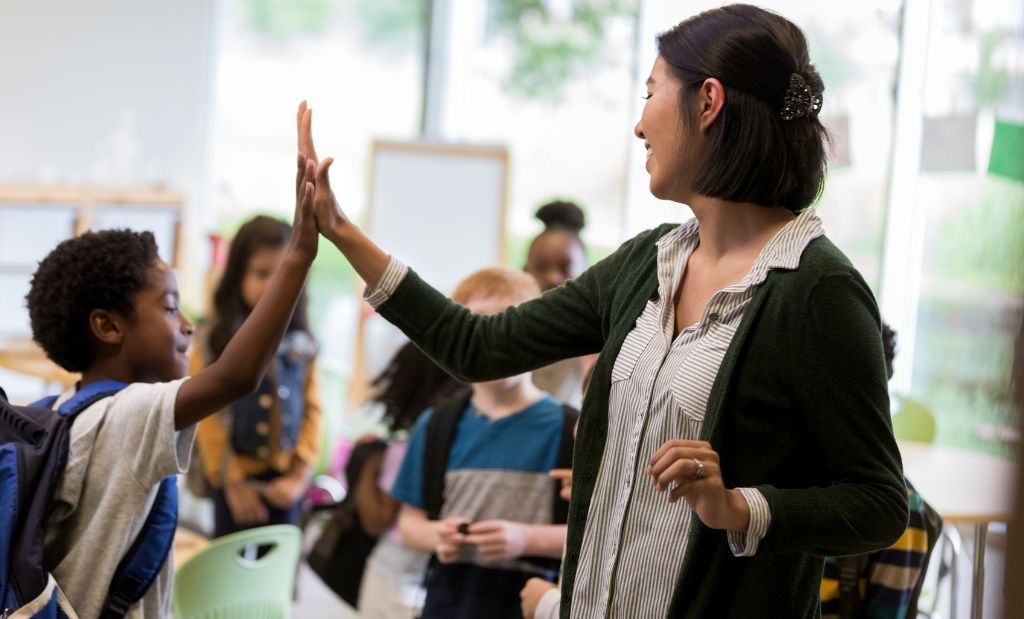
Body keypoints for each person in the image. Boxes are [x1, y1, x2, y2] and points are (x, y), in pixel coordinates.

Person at [297, 3, 908, 614]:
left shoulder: (817, 290)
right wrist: (343, 230)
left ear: (708, 101)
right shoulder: (648, 263)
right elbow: (477, 346)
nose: (639, 125)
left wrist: (738, 506)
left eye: (650, 93)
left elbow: (879, 503)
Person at [28, 151, 319, 617]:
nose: (186, 325)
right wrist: (300, 254)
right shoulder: (127, 414)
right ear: (108, 327)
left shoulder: (72, 409)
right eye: (169, 308)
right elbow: (235, 377)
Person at [387, 268, 572, 618]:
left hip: (534, 602)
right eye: (478, 329)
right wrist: (437, 536)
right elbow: (409, 523)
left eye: (506, 326)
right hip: (448, 601)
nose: (494, 345)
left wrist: (525, 539)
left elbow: (599, 535)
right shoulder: (437, 425)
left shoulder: (572, 429)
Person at [192, 215, 322, 537]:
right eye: (262, 273)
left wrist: (299, 475)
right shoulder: (214, 339)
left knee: (278, 574)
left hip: (285, 484)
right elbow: (207, 416)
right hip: (234, 482)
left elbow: (313, 409)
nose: (273, 285)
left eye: (283, 274)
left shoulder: (302, 341)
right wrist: (232, 481)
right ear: (237, 275)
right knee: (228, 569)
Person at [355, 341, 470, 618]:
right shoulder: (455, 440)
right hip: (419, 570)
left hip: (400, 567)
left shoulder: (405, 449)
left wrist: (366, 465)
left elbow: (377, 520)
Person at [525, 200, 593, 409]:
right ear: (525, 271)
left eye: (566, 268)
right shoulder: (510, 328)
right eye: (542, 268)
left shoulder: (596, 337)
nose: (553, 278)